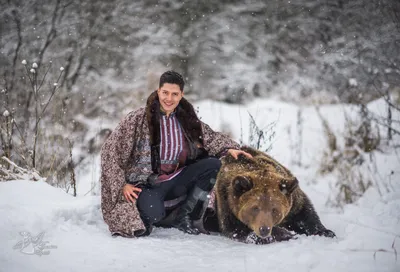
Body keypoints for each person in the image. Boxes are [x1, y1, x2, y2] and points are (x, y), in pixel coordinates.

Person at [100, 70, 251, 238]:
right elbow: (110, 152)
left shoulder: (187, 119)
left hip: (177, 179)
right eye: (165, 93)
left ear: (181, 95)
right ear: (158, 91)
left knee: (213, 165)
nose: (169, 99)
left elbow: (210, 137)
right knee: (154, 214)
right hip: (147, 184)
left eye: (174, 94)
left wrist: (230, 148)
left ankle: (184, 215)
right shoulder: (137, 119)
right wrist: (122, 185)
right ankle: (154, 211)